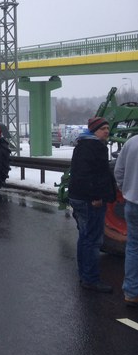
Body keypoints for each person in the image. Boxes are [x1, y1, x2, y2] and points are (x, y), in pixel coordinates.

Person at [68, 117, 116, 293]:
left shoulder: (83, 144)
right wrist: (95, 196)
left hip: (80, 197)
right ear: (94, 130)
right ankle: (91, 279)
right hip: (90, 200)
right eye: (102, 128)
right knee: (93, 240)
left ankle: (84, 275)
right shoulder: (94, 147)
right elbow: (87, 175)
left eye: (107, 128)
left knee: (85, 237)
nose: (106, 131)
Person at [114, 135, 138, 306]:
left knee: (133, 247)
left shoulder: (131, 142)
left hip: (132, 204)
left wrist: (125, 189)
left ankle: (131, 292)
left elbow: (118, 171)